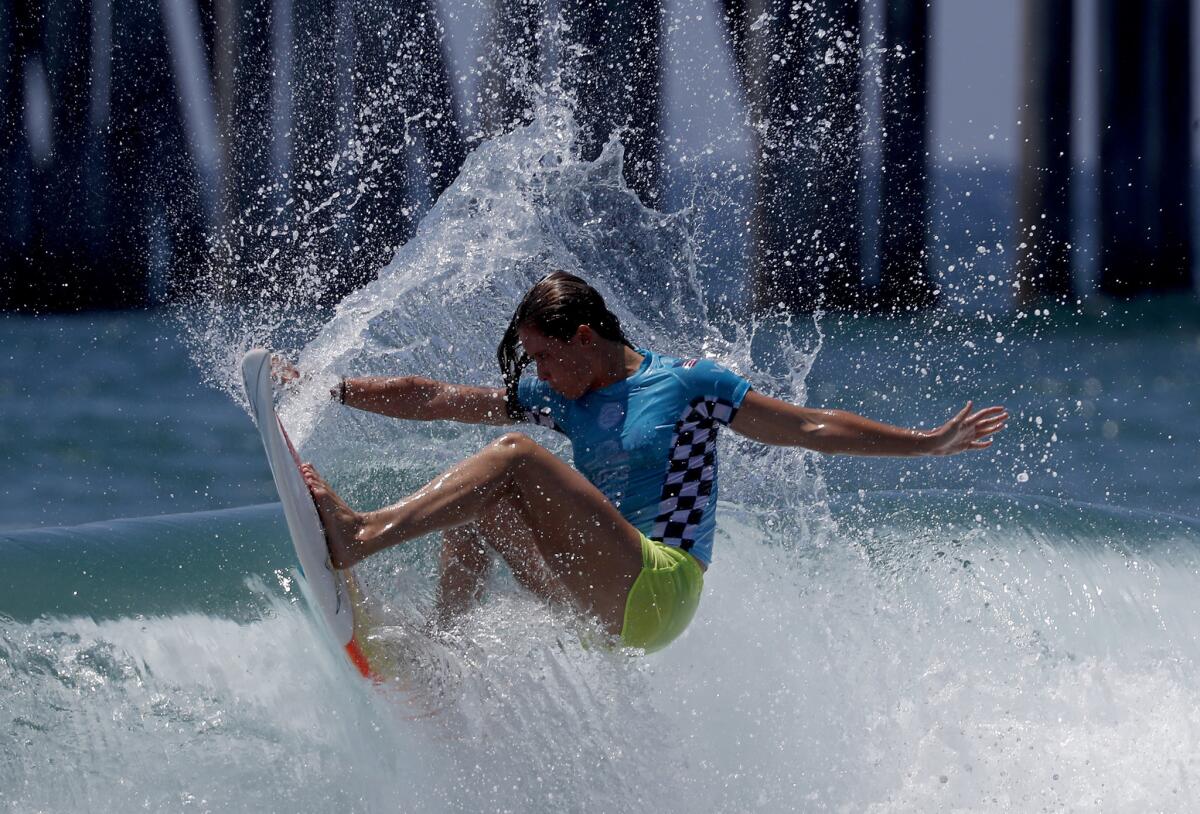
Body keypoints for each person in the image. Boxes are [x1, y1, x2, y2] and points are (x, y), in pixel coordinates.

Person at [291, 272, 1008, 653]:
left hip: (660, 590)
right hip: (597, 599)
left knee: (512, 458)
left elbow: (809, 426)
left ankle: (360, 536)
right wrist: (329, 386)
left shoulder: (686, 384)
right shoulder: (566, 397)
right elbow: (443, 398)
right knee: (477, 498)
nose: (537, 372)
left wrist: (926, 444)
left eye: (544, 355)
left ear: (580, 337)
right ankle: (440, 655)